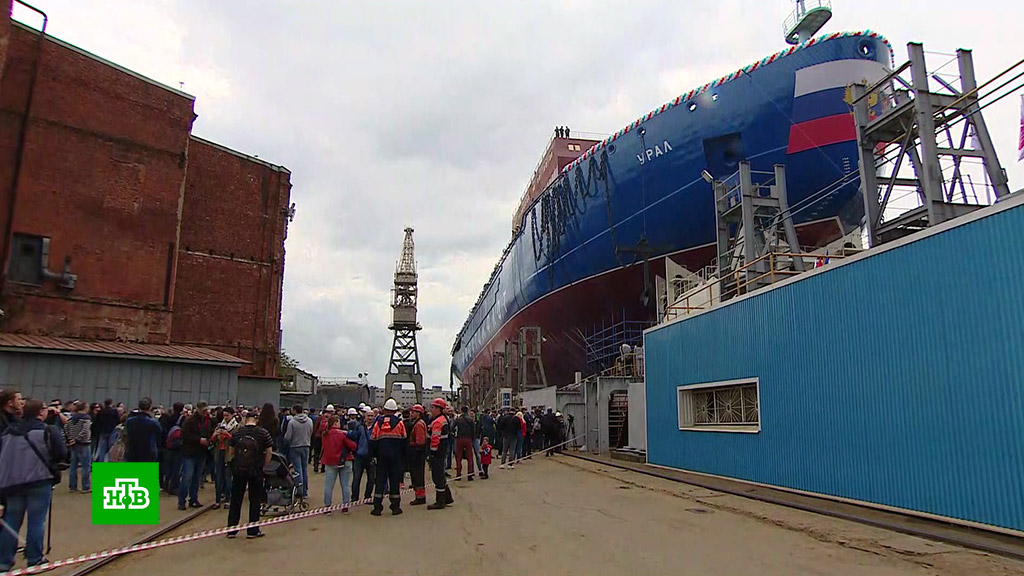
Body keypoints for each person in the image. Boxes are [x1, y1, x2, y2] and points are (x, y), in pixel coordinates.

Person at [0, 399, 68, 571]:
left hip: (12, 482)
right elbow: (61, 453)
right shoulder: (47, 430)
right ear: (41, 412)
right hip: (39, 479)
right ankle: (34, 559)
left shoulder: (8, 431)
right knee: (36, 521)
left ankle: (4, 561)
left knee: (11, 521)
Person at [227, 411, 273, 539]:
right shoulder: (263, 433)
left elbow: (231, 451)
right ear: (257, 420)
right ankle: (253, 530)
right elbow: (269, 451)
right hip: (256, 470)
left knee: (236, 499)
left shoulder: (238, 432)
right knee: (255, 500)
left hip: (239, 470)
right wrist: (264, 465)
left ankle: (232, 529)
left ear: (245, 419)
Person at [369, 398, 406, 516]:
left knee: (380, 481)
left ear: (384, 409)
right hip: (395, 457)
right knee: (394, 481)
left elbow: (373, 440)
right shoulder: (399, 423)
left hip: (381, 457)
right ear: (395, 410)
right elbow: (404, 440)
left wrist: (373, 456)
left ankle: (377, 508)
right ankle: (395, 507)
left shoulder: (377, 423)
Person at [178, 402, 211, 510]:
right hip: (189, 453)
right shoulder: (190, 421)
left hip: (201, 453)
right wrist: (199, 440)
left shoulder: (207, 421)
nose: (205, 412)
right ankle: (181, 501)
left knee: (196, 478)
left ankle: (193, 499)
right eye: (203, 410)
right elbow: (184, 435)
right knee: (187, 477)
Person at [320, 415, 357, 514]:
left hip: (330, 461)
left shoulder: (325, 434)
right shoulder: (342, 434)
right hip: (345, 460)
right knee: (345, 485)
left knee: (328, 486)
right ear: (336, 423)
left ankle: (327, 507)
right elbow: (353, 446)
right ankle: (345, 506)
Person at [426, 398, 453, 510]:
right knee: (440, 475)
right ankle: (447, 498)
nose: (431, 410)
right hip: (441, 452)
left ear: (439, 409)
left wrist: (431, 453)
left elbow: (435, 439)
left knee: (437, 477)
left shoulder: (438, 422)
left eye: (433, 407)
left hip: (437, 453)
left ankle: (440, 501)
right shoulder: (442, 419)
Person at [282, 403, 312, 499]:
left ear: (294, 410)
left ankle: (300, 491)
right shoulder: (309, 421)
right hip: (306, 445)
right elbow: (311, 432)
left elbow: (288, 437)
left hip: (295, 446)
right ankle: (305, 491)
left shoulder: (292, 422)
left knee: (297, 470)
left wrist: (286, 443)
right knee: (304, 469)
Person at [211, 407, 238, 509]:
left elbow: (237, 441)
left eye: (227, 415)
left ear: (232, 415)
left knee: (228, 477)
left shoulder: (236, 427)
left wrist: (228, 435)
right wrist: (215, 435)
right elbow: (212, 440)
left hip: (229, 455)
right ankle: (217, 500)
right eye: (224, 415)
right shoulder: (219, 426)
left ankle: (228, 499)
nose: (225, 417)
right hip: (219, 453)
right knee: (218, 477)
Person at [64, 401, 92, 493]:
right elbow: (85, 430)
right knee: (85, 466)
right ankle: (85, 486)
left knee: (73, 466)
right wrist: (77, 438)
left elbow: (66, 428)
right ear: (85, 408)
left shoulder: (71, 419)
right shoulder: (86, 419)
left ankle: (72, 486)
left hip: (73, 444)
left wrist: (70, 438)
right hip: (84, 443)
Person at [125, 398, 162, 462]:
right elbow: (159, 434)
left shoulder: (130, 421)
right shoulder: (153, 422)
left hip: (132, 450)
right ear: (150, 407)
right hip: (148, 451)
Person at [349, 408, 374, 501]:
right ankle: (354, 497)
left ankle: (368, 496)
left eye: (372, 416)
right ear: (365, 417)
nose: (370, 418)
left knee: (371, 479)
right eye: (368, 416)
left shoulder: (376, 428)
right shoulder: (359, 427)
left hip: (370, 457)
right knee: (356, 478)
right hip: (359, 456)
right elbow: (352, 437)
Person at [406, 404, 428, 505]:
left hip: (417, 453)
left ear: (418, 414)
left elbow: (420, 441)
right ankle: (419, 495)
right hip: (417, 453)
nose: (411, 414)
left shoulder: (419, 424)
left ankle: (420, 497)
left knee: (418, 476)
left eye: (413, 412)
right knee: (417, 475)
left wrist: (410, 443)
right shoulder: (418, 423)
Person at [452, 406, 475, 481]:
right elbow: (473, 430)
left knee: (458, 457)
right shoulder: (470, 419)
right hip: (468, 439)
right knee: (470, 457)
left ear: (461, 411)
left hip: (459, 438)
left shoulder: (458, 419)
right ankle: (470, 474)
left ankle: (458, 474)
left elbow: (452, 428)